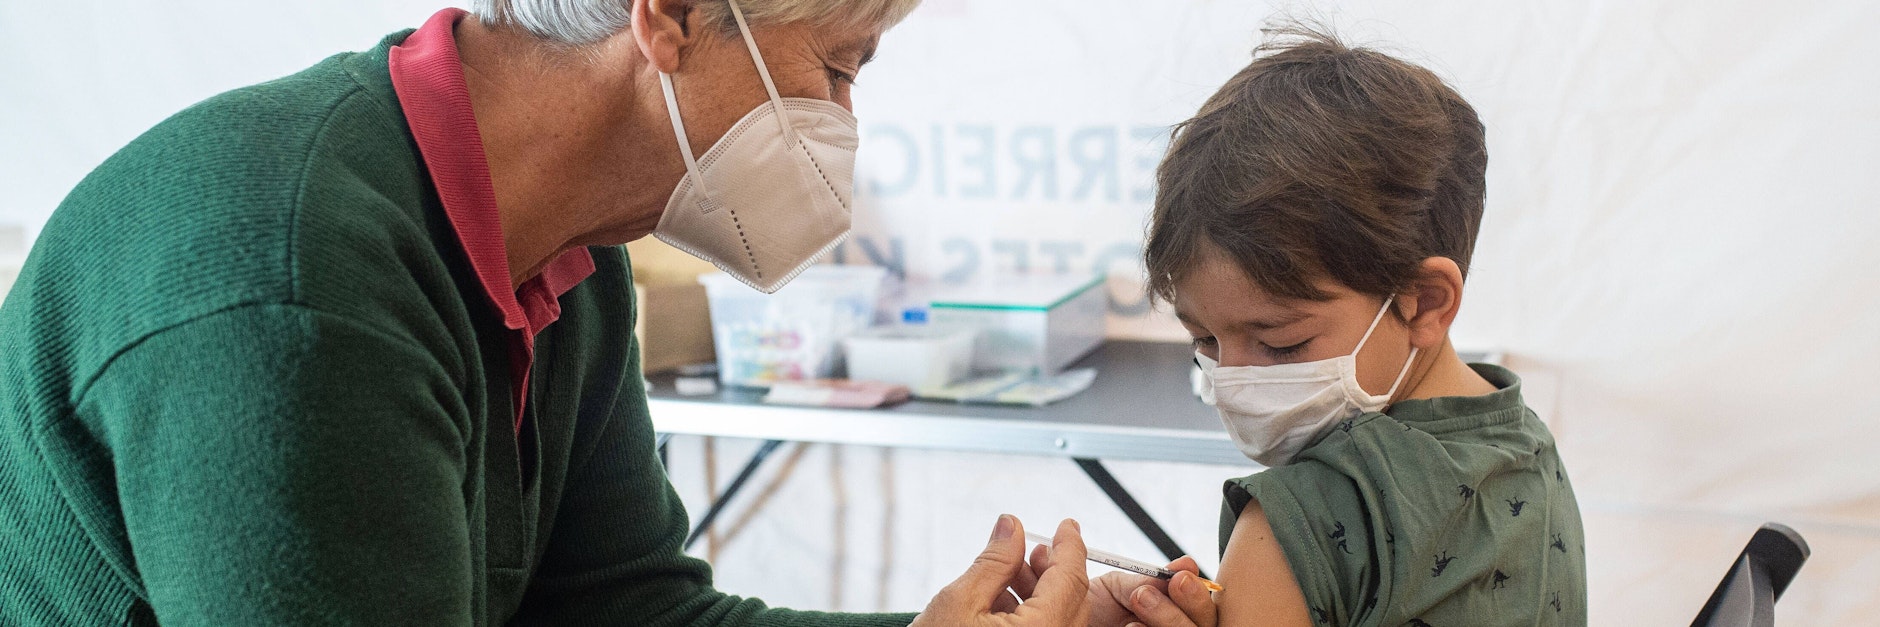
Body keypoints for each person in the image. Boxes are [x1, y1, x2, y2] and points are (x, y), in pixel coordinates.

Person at [0, 0, 1110, 624]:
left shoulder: (566, 263)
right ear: (669, 17)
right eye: (833, 64)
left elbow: (621, 617)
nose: (840, 119)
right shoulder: (294, 293)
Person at [1058, 24, 1589, 626]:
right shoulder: (1526, 444)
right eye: (1203, 339)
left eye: (1281, 342)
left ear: (1425, 302)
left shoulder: (1299, 521)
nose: (1231, 380)